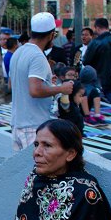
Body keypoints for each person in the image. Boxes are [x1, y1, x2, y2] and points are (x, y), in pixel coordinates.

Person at [9, 12, 73, 151]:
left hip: (18, 124)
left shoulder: (18, 52)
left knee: (26, 172)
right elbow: (35, 90)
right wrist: (61, 89)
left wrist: (48, 84)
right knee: (38, 170)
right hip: (33, 126)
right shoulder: (37, 55)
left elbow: (13, 85)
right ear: (51, 35)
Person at [82, 18, 111, 102]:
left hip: (98, 80)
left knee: (98, 105)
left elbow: (86, 61)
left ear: (97, 28)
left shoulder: (95, 42)